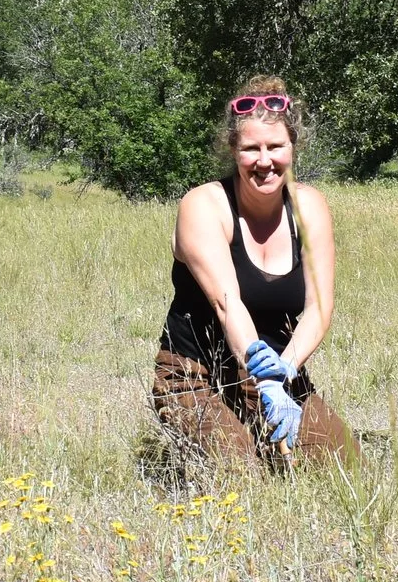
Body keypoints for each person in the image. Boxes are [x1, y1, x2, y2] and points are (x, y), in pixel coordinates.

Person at [152, 78, 358, 469]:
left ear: (293, 146)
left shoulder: (309, 208)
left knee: (345, 468)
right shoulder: (203, 205)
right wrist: (263, 378)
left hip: (275, 370)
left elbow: (319, 308)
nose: (265, 161)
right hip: (195, 374)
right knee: (240, 475)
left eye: (275, 146)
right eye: (251, 149)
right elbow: (228, 305)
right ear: (233, 150)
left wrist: (285, 371)